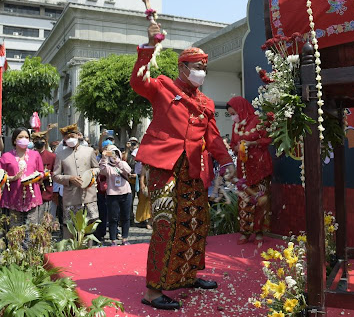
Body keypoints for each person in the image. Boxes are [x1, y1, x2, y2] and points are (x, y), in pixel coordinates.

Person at [131, 22, 235, 310]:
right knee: (165, 223)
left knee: (195, 222)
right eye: (195, 66)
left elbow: (212, 137)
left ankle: (187, 276)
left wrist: (226, 162)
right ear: (182, 67)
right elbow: (139, 82)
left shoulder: (207, 102)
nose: (200, 71)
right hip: (164, 167)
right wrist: (148, 48)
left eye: (204, 67)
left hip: (192, 169)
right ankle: (153, 291)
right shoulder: (163, 87)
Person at [227, 96, 273, 244]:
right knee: (244, 200)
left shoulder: (258, 120)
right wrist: (236, 147)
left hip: (260, 167)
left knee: (260, 199)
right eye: (231, 114)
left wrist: (251, 143)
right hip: (243, 168)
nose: (233, 116)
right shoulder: (235, 126)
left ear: (241, 109)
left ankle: (259, 232)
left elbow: (268, 139)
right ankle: (245, 232)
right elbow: (233, 144)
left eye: (234, 112)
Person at [52, 124, 99, 239]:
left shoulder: (89, 151)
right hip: (71, 197)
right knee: (70, 226)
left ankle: (89, 251)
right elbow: (55, 175)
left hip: (88, 195)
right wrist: (69, 178)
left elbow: (97, 168)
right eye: (67, 138)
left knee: (90, 227)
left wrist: (90, 175)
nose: (70, 139)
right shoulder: (60, 154)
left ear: (78, 135)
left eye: (72, 136)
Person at [0, 128, 44, 234]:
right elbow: (0, 176)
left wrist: (35, 177)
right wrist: (12, 178)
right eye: (21, 137)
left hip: (32, 198)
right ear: (14, 140)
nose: (24, 139)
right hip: (13, 196)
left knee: (32, 230)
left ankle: (31, 250)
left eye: (27, 137)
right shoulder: (6, 157)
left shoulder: (35, 155)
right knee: (15, 232)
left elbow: (41, 172)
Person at [99, 145, 132, 245]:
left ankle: (125, 238)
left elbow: (128, 170)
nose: (114, 155)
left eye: (116, 153)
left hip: (126, 192)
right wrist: (105, 157)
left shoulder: (122, 163)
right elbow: (102, 170)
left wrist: (117, 160)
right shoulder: (107, 166)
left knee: (126, 216)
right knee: (113, 218)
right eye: (112, 153)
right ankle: (113, 239)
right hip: (112, 194)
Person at [32, 129, 56, 218]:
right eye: (36, 139)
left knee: (45, 220)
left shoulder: (52, 156)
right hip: (32, 192)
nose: (38, 142)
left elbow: (55, 172)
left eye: (41, 139)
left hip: (46, 192)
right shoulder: (29, 155)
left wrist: (45, 176)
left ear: (45, 141)